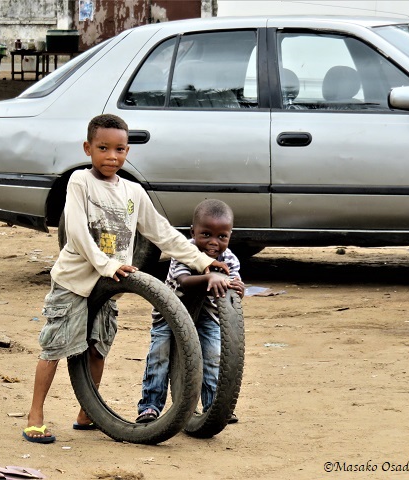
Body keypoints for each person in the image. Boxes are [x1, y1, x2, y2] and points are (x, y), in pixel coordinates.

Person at [23, 114, 230, 444]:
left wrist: (204, 261)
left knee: (97, 349)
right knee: (55, 348)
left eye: (119, 149)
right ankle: (35, 415)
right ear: (88, 148)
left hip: (109, 287)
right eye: (103, 148)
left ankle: (88, 411)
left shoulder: (133, 191)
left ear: (127, 151)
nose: (111, 156)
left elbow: (163, 233)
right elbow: (76, 233)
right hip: (75, 282)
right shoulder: (80, 182)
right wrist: (106, 264)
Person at [136, 199, 245, 425]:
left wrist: (238, 289)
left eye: (222, 236)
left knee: (214, 358)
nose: (213, 242)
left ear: (230, 236)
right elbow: (184, 282)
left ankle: (215, 406)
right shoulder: (185, 252)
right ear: (192, 232)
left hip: (210, 317)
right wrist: (209, 277)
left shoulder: (229, 259)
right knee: (160, 357)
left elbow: (232, 291)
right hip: (170, 316)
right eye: (206, 234)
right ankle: (150, 406)